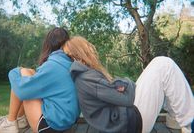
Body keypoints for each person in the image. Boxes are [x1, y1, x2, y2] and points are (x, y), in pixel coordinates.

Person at [62, 36, 194, 133]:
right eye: (88, 47)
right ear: (82, 51)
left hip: (127, 120)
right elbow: (127, 98)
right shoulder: (86, 78)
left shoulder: (84, 76)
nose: (92, 50)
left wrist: (121, 85)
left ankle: (180, 119)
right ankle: (189, 123)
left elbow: (118, 89)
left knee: (161, 69)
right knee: (164, 64)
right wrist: (126, 82)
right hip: (129, 124)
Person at [0, 28, 80, 133]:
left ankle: (10, 122)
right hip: (67, 123)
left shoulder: (52, 66)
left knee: (23, 80)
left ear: (48, 44)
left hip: (52, 127)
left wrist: (15, 72)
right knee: (30, 72)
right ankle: (20, 120)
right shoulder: (69, 63)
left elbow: (23, 91)